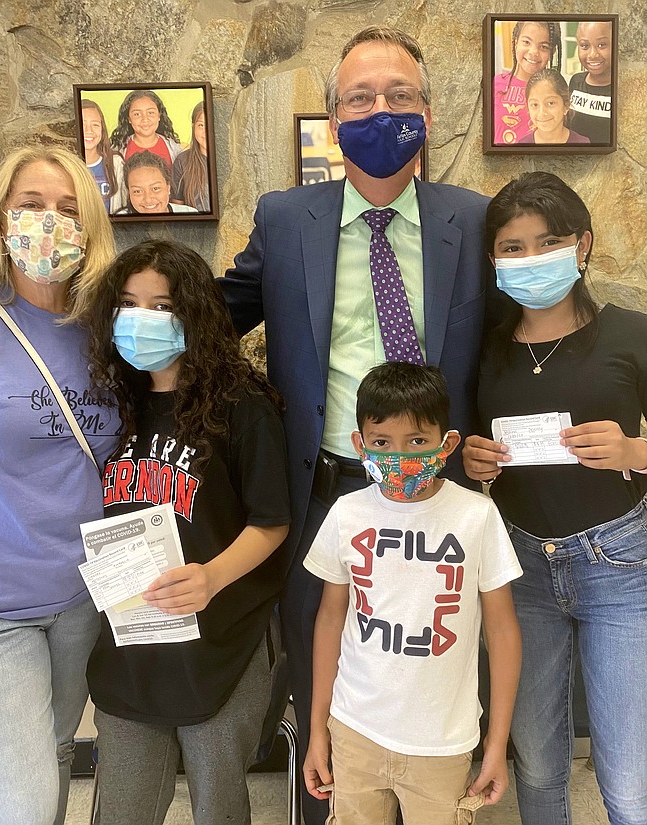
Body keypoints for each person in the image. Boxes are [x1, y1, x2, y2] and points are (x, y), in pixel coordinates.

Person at [220, 25, 495, 825]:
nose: (382, 110)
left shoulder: (474, 222)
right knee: (326, 682)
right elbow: (210, 321)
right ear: (335, 120)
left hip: (444, 498)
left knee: (435, 676)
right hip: (328, 499)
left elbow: (516, 342)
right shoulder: (284, 219)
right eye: (361, 98)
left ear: (429, 114)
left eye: (400, 96)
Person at [83, 240, 290, 825]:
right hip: (130, 645)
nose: (142, 320)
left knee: (218, 809)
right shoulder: (108, 405)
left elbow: (271, 521)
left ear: (193, 314)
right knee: (121, 810)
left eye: (162, 306)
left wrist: (212, 577)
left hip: (221, 640)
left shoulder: (243, 407)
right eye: (129, 304)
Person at [462, 171, 647, 825]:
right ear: (493, 260)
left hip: (620, 563)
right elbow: (463, 439)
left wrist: (635, 452)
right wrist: (470, 456)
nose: (530, 258)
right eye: (512, 247)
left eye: (548, 241)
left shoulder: (631, 332)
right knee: (538, 770)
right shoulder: (482, 351)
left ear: (584, 244)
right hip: (519, 565)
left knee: (629, 779)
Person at [302, 362, 522, 825]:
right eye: (382, 443)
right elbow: (329, 619)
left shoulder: (476, 516)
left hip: (443, 743)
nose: (399, 456)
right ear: (359, 445)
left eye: (417, 442)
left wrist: (497, 743)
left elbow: (502, 631)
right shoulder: (347, 513)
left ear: (448, 445)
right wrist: (318, 728)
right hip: (354, 731)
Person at [0, 146, 120, 825]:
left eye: (68, 210)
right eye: (32, 206)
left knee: (60, 751)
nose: (49, 222)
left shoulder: (109, 330)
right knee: (25, 805)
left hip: (81, 596)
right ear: (1, 216)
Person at [493, 20, 562, 145]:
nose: (533, 52)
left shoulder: (556, 91)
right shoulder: (495, 84)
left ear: (552, 52)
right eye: (526, 42)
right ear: (515, 44)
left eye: (544, 47)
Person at [110, 90, 183, 169]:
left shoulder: (174, 148)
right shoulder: (117, 151)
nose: (145, 119)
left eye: (150, 113)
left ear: (159, 115)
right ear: (129, 119)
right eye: (137, 114)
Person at [568, 20, 613, 144]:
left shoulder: (622, 89)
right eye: (584, 46)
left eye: (602, 45)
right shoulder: (575, 82)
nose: (593, 54)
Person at [517, 70, 590, 145]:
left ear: (566, 106)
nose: (542, 113)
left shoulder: (582, 144)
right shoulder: (522, 145)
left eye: (550, 103)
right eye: (535, 105)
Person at [114, 151, 198, 215]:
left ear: (168, 187)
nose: (148, 199)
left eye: (155, 189)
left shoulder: (190, 215)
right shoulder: (117, 223)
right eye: (137, 191)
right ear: (129, 193)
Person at [81, 98, 127, 213]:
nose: (89, 130)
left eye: (95, 125)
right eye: (83, 124)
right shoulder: (65, 165)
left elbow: (125, 205)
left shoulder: (116, 162)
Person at [171, 101, 211, 212]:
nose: (205, 132)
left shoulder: (231, 160)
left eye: (210, 124)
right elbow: (177, 206)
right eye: (201, 125)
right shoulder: (182, 161)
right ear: (193, 127)